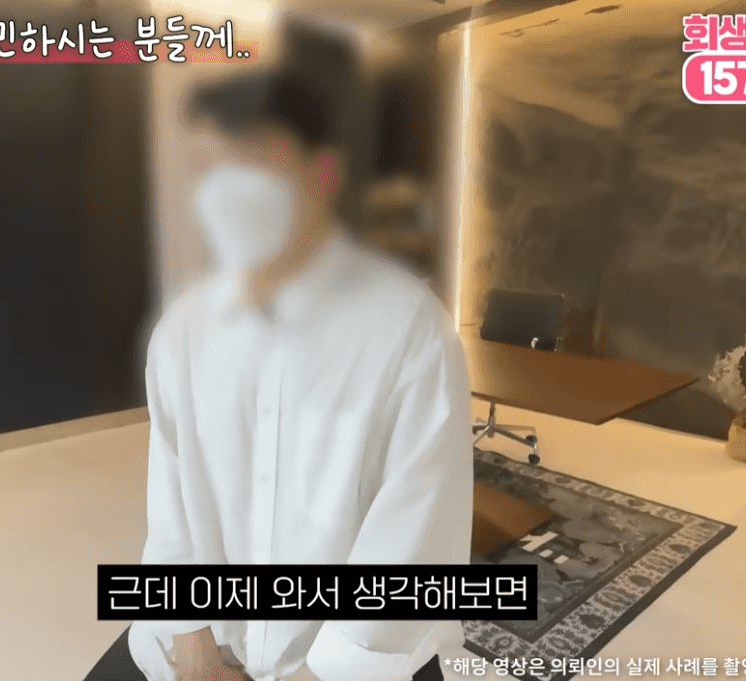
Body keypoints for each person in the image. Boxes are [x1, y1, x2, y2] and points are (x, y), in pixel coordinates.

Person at [83, 58, 473, 681]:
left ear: (321, 174)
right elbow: (171, 501)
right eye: (208, 168)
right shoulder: (181, 332)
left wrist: (320, 673)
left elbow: (417, 533)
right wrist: (191, 638)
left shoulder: (407, 331)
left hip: (350, 658)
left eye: (252, 161)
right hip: (204, 641)